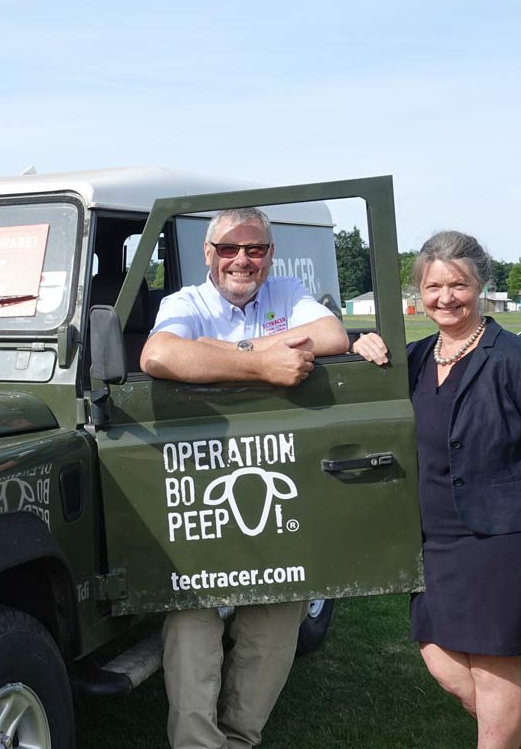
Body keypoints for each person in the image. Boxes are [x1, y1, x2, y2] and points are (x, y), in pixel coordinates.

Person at [352, 231, 521, 749]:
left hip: (506, 539)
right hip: (435, 539)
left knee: (494, 669)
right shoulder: (412, 361)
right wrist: (359, 343)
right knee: (440, 659)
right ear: (417, 292)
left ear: (480, 285)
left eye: (458, 284)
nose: (446, 297)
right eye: (433, 286)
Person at [140, 206, 348, 749]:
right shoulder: (184, 302)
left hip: (278, 476)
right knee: (191, 617)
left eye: (254, 249)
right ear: (208, 254)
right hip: (206, 481)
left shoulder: (285, 294)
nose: (242, 260)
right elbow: (159, 354)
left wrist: (222, 353)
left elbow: (330, 334)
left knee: (278, 615)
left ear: (270, 255)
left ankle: (239, 737)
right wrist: (261, 363)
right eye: (229, 248)